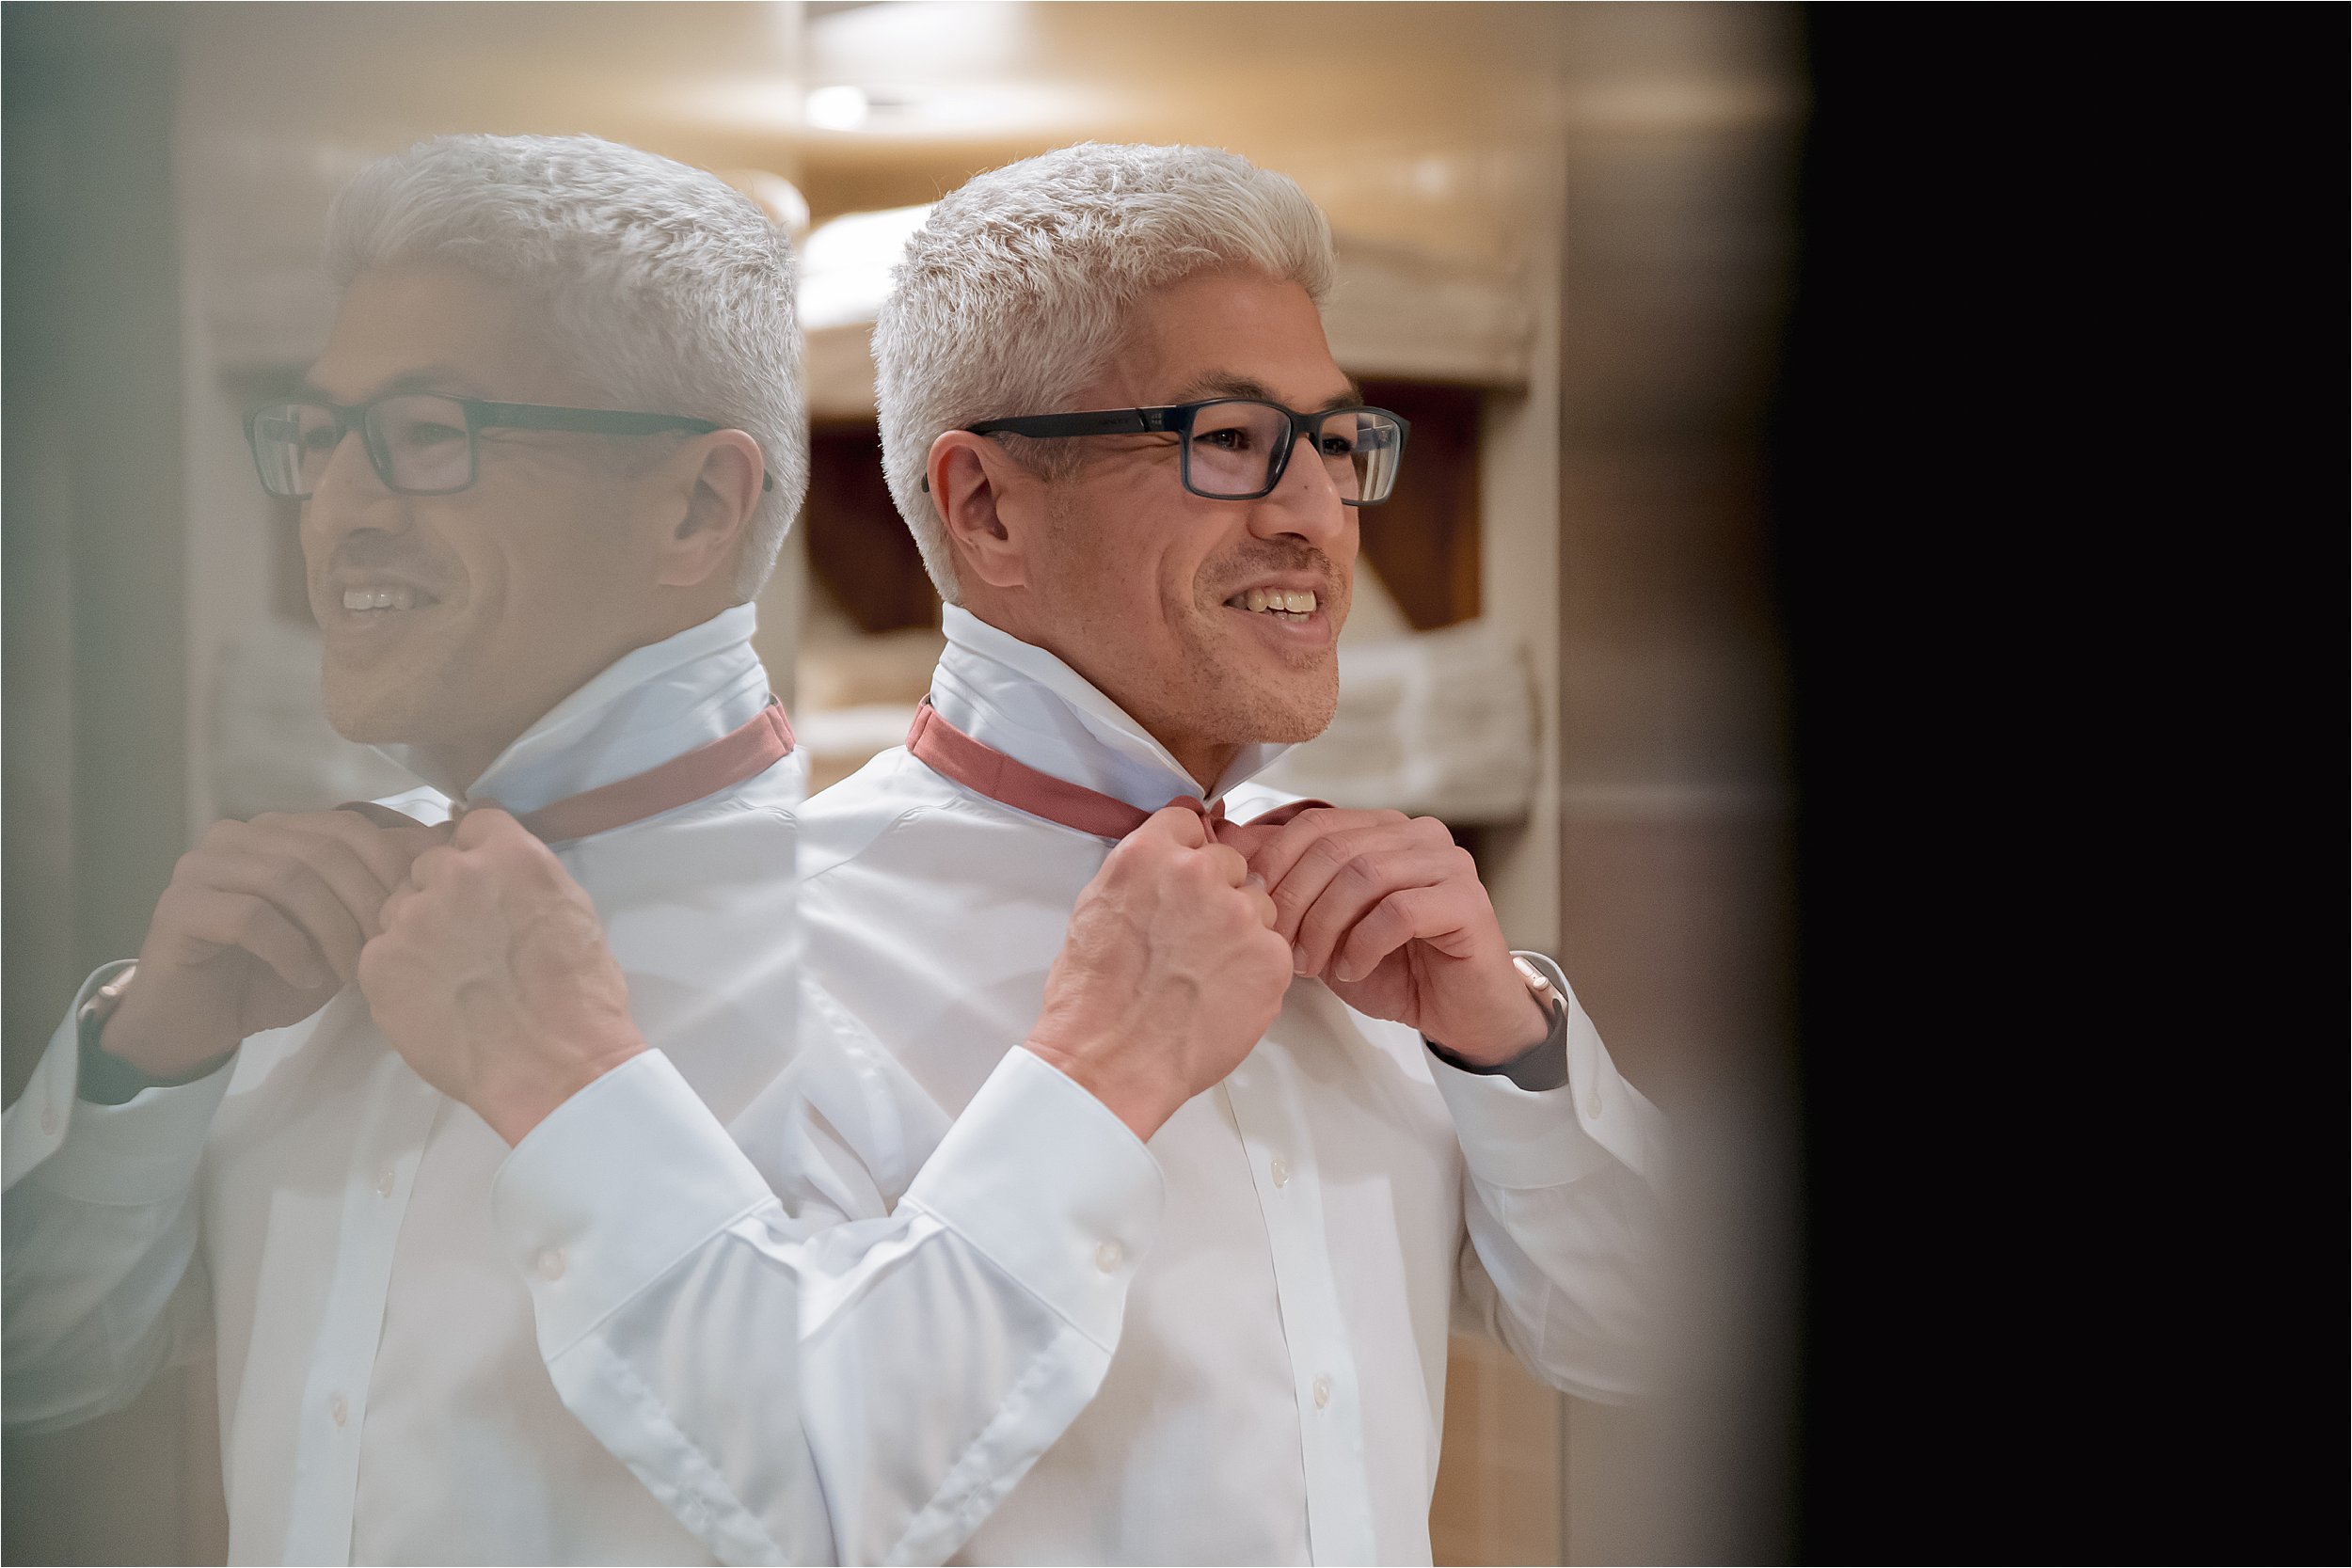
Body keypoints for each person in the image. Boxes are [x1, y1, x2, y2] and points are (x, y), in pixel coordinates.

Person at [3, 133, 1295, 1566]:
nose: (342, 509)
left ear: (692, 507)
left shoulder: (812, 934)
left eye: (427, 436)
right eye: (323, 441)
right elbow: (34, 1370)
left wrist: (566, 1090)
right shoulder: (281, 956)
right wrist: (142, 1067)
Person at [417, 141, 1670, 1564]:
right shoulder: (756, 949)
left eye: (1334, 446)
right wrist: (1095, 1080)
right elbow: (766, 1495)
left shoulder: (1370, 940)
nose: (1318, 516)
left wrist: (1510, 1049)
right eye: (1229, 440)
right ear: (988, 507)